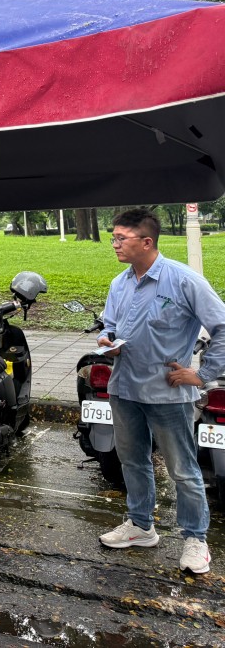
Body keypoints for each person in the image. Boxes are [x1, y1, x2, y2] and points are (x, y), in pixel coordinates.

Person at [97, 208, 225, 575]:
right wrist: (108, 340)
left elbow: (222, 326)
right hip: (125, 389)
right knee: (133, 461)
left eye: (122, 238)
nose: (115, 244)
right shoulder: (119, 282)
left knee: (183, 470)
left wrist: (202, 375)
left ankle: (196, 539)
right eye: (114, 237)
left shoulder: (183, 280)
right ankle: (140, 525)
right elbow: (110, 325)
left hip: (167, 393)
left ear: (147, 242)